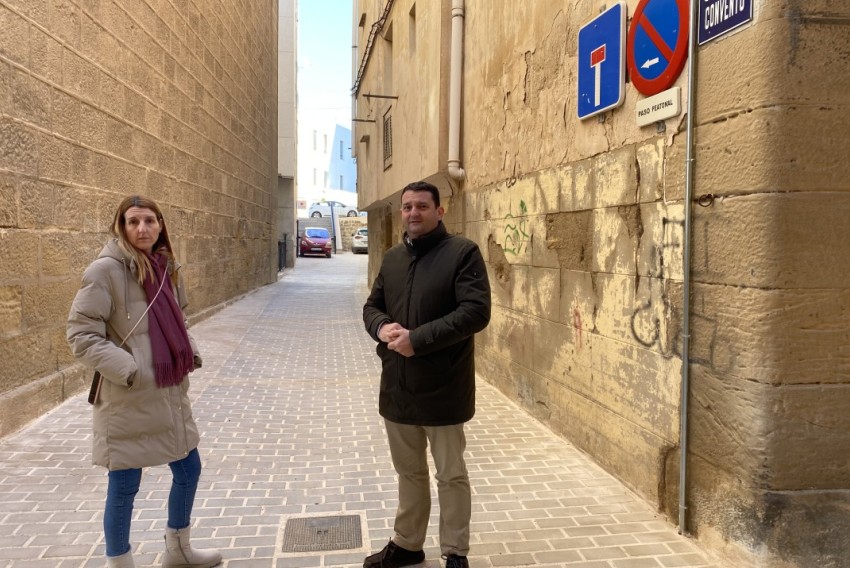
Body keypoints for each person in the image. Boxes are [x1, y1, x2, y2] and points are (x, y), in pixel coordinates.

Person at [67, 196, 221, 568]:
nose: (142, 229)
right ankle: (119, 562)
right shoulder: (104, 271)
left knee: (189, 469)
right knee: (124, 487)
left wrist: (190, 351)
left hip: (169, 392)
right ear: (121, 226)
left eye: (150, 221)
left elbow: (179, 323)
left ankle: (178, 550)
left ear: (160, 225)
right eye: (133, 221)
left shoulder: (168, 267)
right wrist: (131, 368)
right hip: (128, 397)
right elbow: (81, 335)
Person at [362, 181, 491, 568]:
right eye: (407, 207)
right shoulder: (392, 258)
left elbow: (475, 312)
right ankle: (407, 543)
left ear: (440, 211)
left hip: (443, 387)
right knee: (409, 472)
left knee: (451, 475)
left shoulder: (462, 253)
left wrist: (418, 339)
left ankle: (455, 551)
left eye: (421, 206)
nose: (413, 213)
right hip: (398, 385)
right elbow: (372, 306)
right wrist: (382, 327)